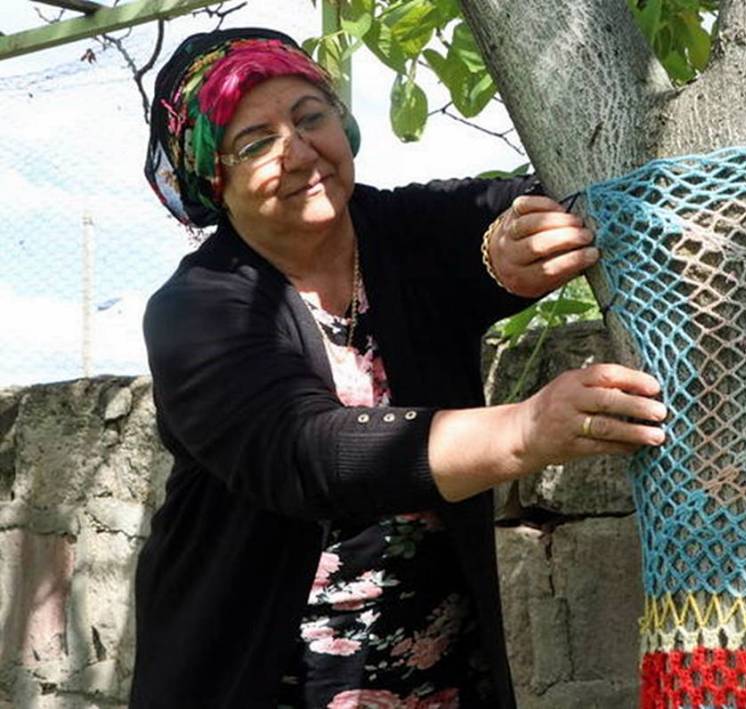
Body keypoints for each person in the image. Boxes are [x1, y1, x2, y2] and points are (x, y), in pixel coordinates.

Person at [132, 27, 666, 708]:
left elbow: (548, 197)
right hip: (260, 686)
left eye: (310, 117)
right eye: (256, 143)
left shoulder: (404, 230)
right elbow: (313, 454)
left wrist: (507, 244)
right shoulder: (198, 310)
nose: (299, 151)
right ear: (216, 179)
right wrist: (527, 429)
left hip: (442, 681)